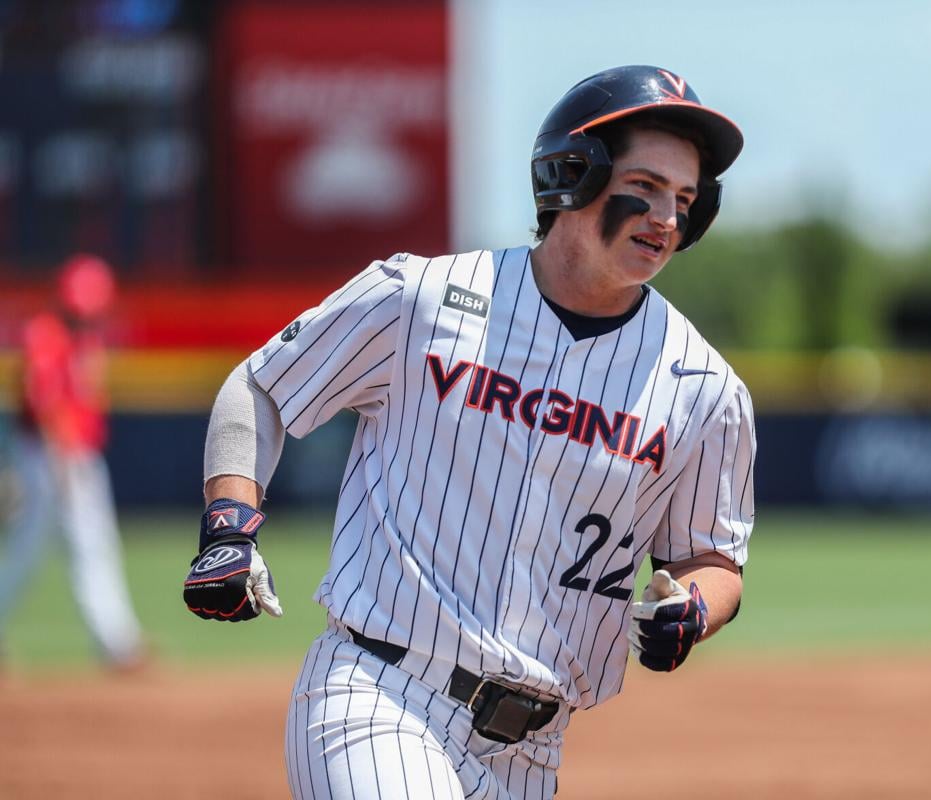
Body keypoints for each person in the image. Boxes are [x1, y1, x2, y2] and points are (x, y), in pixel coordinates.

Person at [183, 65, 755, 799]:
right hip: (380, 696)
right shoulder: (422, 298)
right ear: (571, 176)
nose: (667, 218)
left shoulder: (704, 388)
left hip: (533, 752)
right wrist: (229, 526)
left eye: (684, 199)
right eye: (644, 187)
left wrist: (696, 605)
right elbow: (263, 385)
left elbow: (714, 556)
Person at [0, 254, 147, 670]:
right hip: (51, 457)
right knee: (67, 548)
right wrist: (61, 466)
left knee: (82, 546)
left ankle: (118, 643)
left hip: (72, 455)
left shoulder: (84, 338)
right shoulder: (46, 334)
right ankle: (118, 645)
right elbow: (45, 405)